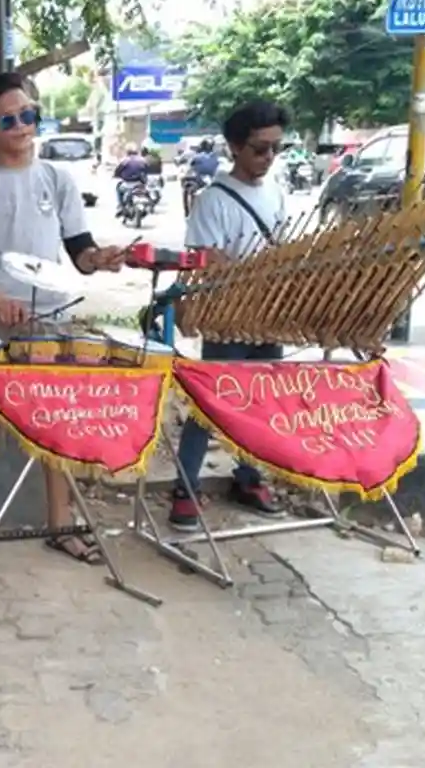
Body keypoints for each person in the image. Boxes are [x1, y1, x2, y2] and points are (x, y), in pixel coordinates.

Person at [0, 71, 127, 571]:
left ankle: (60, 525)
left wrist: (101, 258)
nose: (22, 126)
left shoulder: (58, 180)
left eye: (29, 115)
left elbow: (78, 251)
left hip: (50, 320)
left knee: (55, 428)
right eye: (9, 119)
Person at [171, 99, 290, 533]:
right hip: (227, 317)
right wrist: (240, 273)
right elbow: (203, 258)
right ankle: (185, 487)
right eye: (260, 149)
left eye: (276, 148)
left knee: (259, 402)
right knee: (212, 402)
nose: (269, 158)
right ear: (235, 147)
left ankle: (249, 477)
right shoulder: (213, 200)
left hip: (269, 315)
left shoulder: (277, 191)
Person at [114, 143, 149, 208]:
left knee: (119, 189)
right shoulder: (142, 160)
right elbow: (147, 170)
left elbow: (118, 170)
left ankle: (121, 205)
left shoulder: (125, 160)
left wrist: (116, 175)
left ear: (127, 152)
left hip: (128, 183)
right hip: (139, 183)